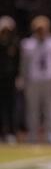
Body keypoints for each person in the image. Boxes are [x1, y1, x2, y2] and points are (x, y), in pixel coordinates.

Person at [19, 15, 51, 143]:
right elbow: (24, 64)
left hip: (50, 80)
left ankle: (50, 133)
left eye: (43, 28)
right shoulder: (27, 44)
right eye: (38, 29)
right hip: (33, 80)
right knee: (32, 108)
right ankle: (32, 133)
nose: (41, 31)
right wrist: (23, 79)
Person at [0, 16, 19, 144]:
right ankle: (1, 133)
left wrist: (19, 77)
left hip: (11, 80)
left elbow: (19, 63)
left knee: (11, 107)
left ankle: (12, 132)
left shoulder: (15, 44)